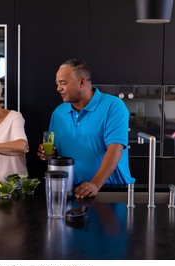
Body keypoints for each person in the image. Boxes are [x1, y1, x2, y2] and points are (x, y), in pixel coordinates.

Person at [37, 59, 135, 198]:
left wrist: (95, 184)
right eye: (57, 84)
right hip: (73, 191)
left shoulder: (113, 106)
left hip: (109, 190)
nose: (58, 88)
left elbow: (115, 149)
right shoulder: (58, 113)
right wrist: (49, 154)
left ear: (82, 82)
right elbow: (57, 153)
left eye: (63, 83)